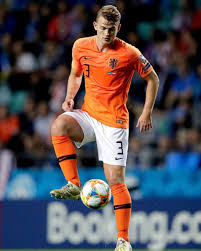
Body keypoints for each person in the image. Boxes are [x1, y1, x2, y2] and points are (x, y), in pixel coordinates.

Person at [50, 5, 159, 251]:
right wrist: (70, 96)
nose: (107, 34)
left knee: (115, 181)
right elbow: (75, 73)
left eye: (112, 30)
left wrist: (146, 112)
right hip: (89, 114)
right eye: (103, 28)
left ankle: (123, 240)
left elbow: (153, 79)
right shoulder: (80, 46)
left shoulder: (129, 53)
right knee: (59, 125)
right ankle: (73, 185)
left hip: (114, 122)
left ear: (118, 29)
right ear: (95, 26)